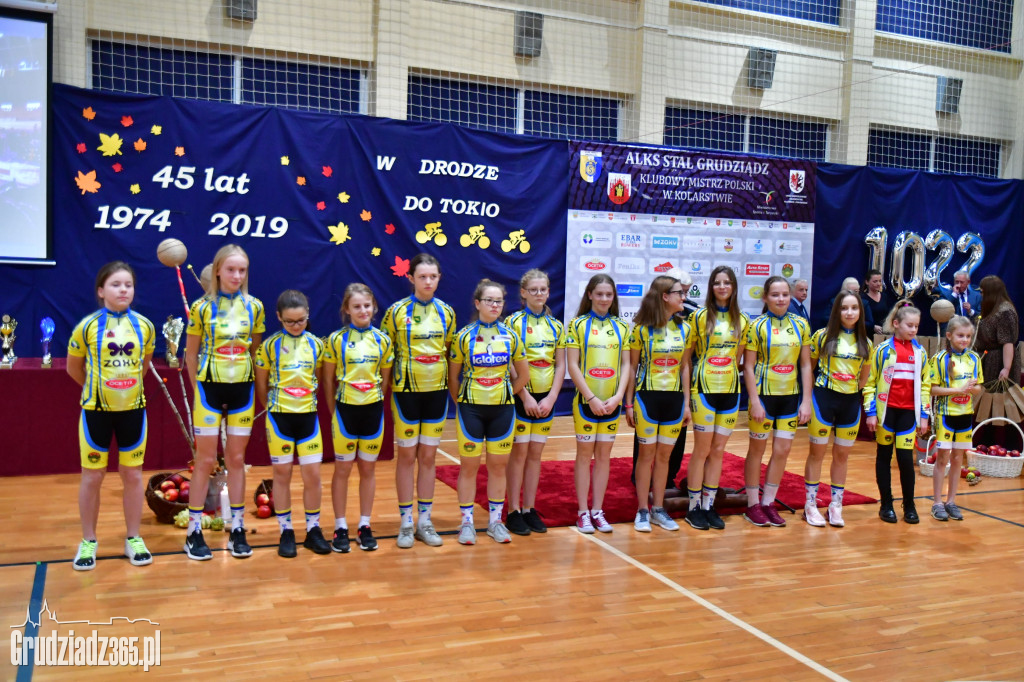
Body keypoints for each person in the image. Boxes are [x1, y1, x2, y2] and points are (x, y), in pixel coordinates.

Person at [67, 262, 156, 570]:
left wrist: (125, 390)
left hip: (133, 411)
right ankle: (88, 541)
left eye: (128, 285)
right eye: (116, 284)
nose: (123, 290)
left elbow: (144, 366)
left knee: (132, 475)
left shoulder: (145, 326)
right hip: (96, 413)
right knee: (92, 477)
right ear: (101, 291)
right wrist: (97, 391)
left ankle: (134, 538)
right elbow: (73, 368)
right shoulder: (87, 326)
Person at [184, 244, 265, 560]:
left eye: (242, 270)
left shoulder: (255, 307)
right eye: (231, 269)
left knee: (236, 459)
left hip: (242, 390)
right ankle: (193, 532)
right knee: (205, 460)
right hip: (209, 390)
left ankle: (238, 529)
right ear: (217, 270)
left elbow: (255, 352)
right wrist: (197, 390)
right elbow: (191, 354)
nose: (236, 275)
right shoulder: (201, 307)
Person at [381, 253, 456, 549]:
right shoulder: (396, 312)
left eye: (433, 277)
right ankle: (405, 523)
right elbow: (385, 353)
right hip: (406, 394)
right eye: (422, 276)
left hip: (436, 394)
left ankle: (424, 521)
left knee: (428, 458)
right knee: (407, 457)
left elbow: (448, 351)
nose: (428, 282)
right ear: (411, 278)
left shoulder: (447, 312)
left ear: (439, 279)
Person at [448, 279, 529, 545]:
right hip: (470, 410)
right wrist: (463, 403)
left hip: (502, 411)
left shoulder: (511, 336)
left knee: (497, 467)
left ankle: (495, 522)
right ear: (477, 303)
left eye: (499, 301)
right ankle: (466, 523)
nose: (495, 305)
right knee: (469, 467)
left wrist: (505, 393)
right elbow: (453, 378)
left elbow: (524, 375)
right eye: (489, 301)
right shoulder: (464, 336)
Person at [254, 290, 330, 557]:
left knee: (313, 475)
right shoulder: (268, 346)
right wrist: (274, 408)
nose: (296, 326)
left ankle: (313, 530)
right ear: (278, 317)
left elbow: (318, 380)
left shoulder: (317, 345)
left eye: (301, 320)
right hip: (279, 419)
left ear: (308, 314)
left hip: (308, 417)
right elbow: (261, 386)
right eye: (289, 321)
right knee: (282, 475)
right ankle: (286, 531)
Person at [324, 283, 393, 552]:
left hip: (372, 412)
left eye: (367, 305)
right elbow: (327, 381)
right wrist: (335, 411)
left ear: (374, 307)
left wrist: (372, 400)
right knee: (342, 470)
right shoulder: (335, 339)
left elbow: (384, 381)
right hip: (344, 412)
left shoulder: (383, 340)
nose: (362, 310)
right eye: (356, 306)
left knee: (368, 470)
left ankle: (365, 525)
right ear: (347, 309)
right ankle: (340, 526)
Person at [681, 265, 748, 531]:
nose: (722, 287)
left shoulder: (742, 320)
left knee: (718, 450)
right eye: (717, 283)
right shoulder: (698, 317)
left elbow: (738, 359)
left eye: (727, 282)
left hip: (730, 391)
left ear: (734, 287)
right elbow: (686, 360)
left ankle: (709, 505)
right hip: (703, 390)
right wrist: (687, 397)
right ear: (711, 287)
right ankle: (693, 507)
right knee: (702, 450)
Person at [742, 275, 812, 527]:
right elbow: (748, 367)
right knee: (757, 451)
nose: (781, 299)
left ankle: (768, 503)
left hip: (790, 398)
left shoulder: (801, 325)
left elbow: (806, 365)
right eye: (775, 295)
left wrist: (806, 401)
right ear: (765, 298)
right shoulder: (756, 326)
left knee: (782, 451)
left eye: (784, 294)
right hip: (764, 398)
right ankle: (752, 504)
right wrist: (754, 401)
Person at [624, 276, 692, 532]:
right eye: (679, 293)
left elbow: (685, 367)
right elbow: (632, 368)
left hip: (674, 400)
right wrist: (628, 404)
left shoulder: (685, 329)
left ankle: (658, 509)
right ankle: (642, 509)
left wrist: (687, 403)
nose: (683, 297)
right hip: (647, 399)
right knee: (646, 456)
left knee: (664, 457)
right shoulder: (641, 329)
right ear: (665, 296)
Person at [566, 274, 631, 533]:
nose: (604, 299)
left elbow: (626, 365)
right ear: (590, 295)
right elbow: (572, 365)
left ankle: (598, 511)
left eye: (609, 294)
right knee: (584, 456)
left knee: (604, 457)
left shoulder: (622, 327)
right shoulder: (577, 325)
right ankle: (583, 512)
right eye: (600, 294)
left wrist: (618, 397)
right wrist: (591, 398)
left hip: (612, 404)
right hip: (586, 403)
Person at [504, 269, 565, 536]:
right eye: (533, 290)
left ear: (548, 292)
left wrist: (551, 397)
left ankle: (529, 508)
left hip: (546, 400)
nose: (539, 294)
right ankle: (513, 510)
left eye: (543, 290)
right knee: (519, 454)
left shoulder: (557, 326)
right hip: (522, 397)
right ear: (523, 293)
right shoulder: (513, 322)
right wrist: (524, 395)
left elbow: (561, 365)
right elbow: (508, 362)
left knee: (535, 455)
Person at [803, 291, 871, 528]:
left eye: (854, 308)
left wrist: (849, 390)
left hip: (850, 403)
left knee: (841, 456)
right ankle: (810, 504)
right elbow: (809, 369)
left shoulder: (866, 343)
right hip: (823, 400)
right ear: (836, 311)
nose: (849, 313)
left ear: (860, 312)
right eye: (844, 308)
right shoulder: (821, 336)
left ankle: (836, 505)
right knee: (817, 454)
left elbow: (864, 379)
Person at [863, 304, 930, 524]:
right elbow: (870, 383)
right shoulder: (882, 351)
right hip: (886, 414)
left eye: (916, 326)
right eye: (909, 325)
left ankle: (909, 505)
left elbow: (926, 386)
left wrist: (924, 415)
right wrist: (871, 412)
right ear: (896, 324)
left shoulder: (920, 353)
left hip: (908, 415)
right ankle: (886, 504)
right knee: (884, 457)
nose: (913, 330)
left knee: (905, 460)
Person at [927, 315, 983, 522]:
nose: (965, 340)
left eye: (968, 336)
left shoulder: (974, 358)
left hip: (965, 414)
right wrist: (958, 389)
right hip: (946, 415)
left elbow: (979, 388)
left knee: (958, 459)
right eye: (960, 335)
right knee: (942, 458)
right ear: (949, 335)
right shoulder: (939, 359)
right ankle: (937, 502)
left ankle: (951, 501)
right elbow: (932, 390)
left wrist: (972, 388)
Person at [975, 275, 1020, 384]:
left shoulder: (1005, 311)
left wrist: (1006, 368)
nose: (981, 295)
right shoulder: (994, 307)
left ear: (990, 292)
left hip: (998, 362)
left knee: (996, 394)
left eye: (982, 292)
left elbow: (1007, 342)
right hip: (988, 359)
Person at [862, 269, 891, 336]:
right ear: (867, 282)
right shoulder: (862, 298)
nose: (878, 284)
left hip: (883, 334)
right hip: (867, 334)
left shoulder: (884, 296)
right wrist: (872, 327)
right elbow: (859, 320)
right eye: (875, 281)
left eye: (880, 281)